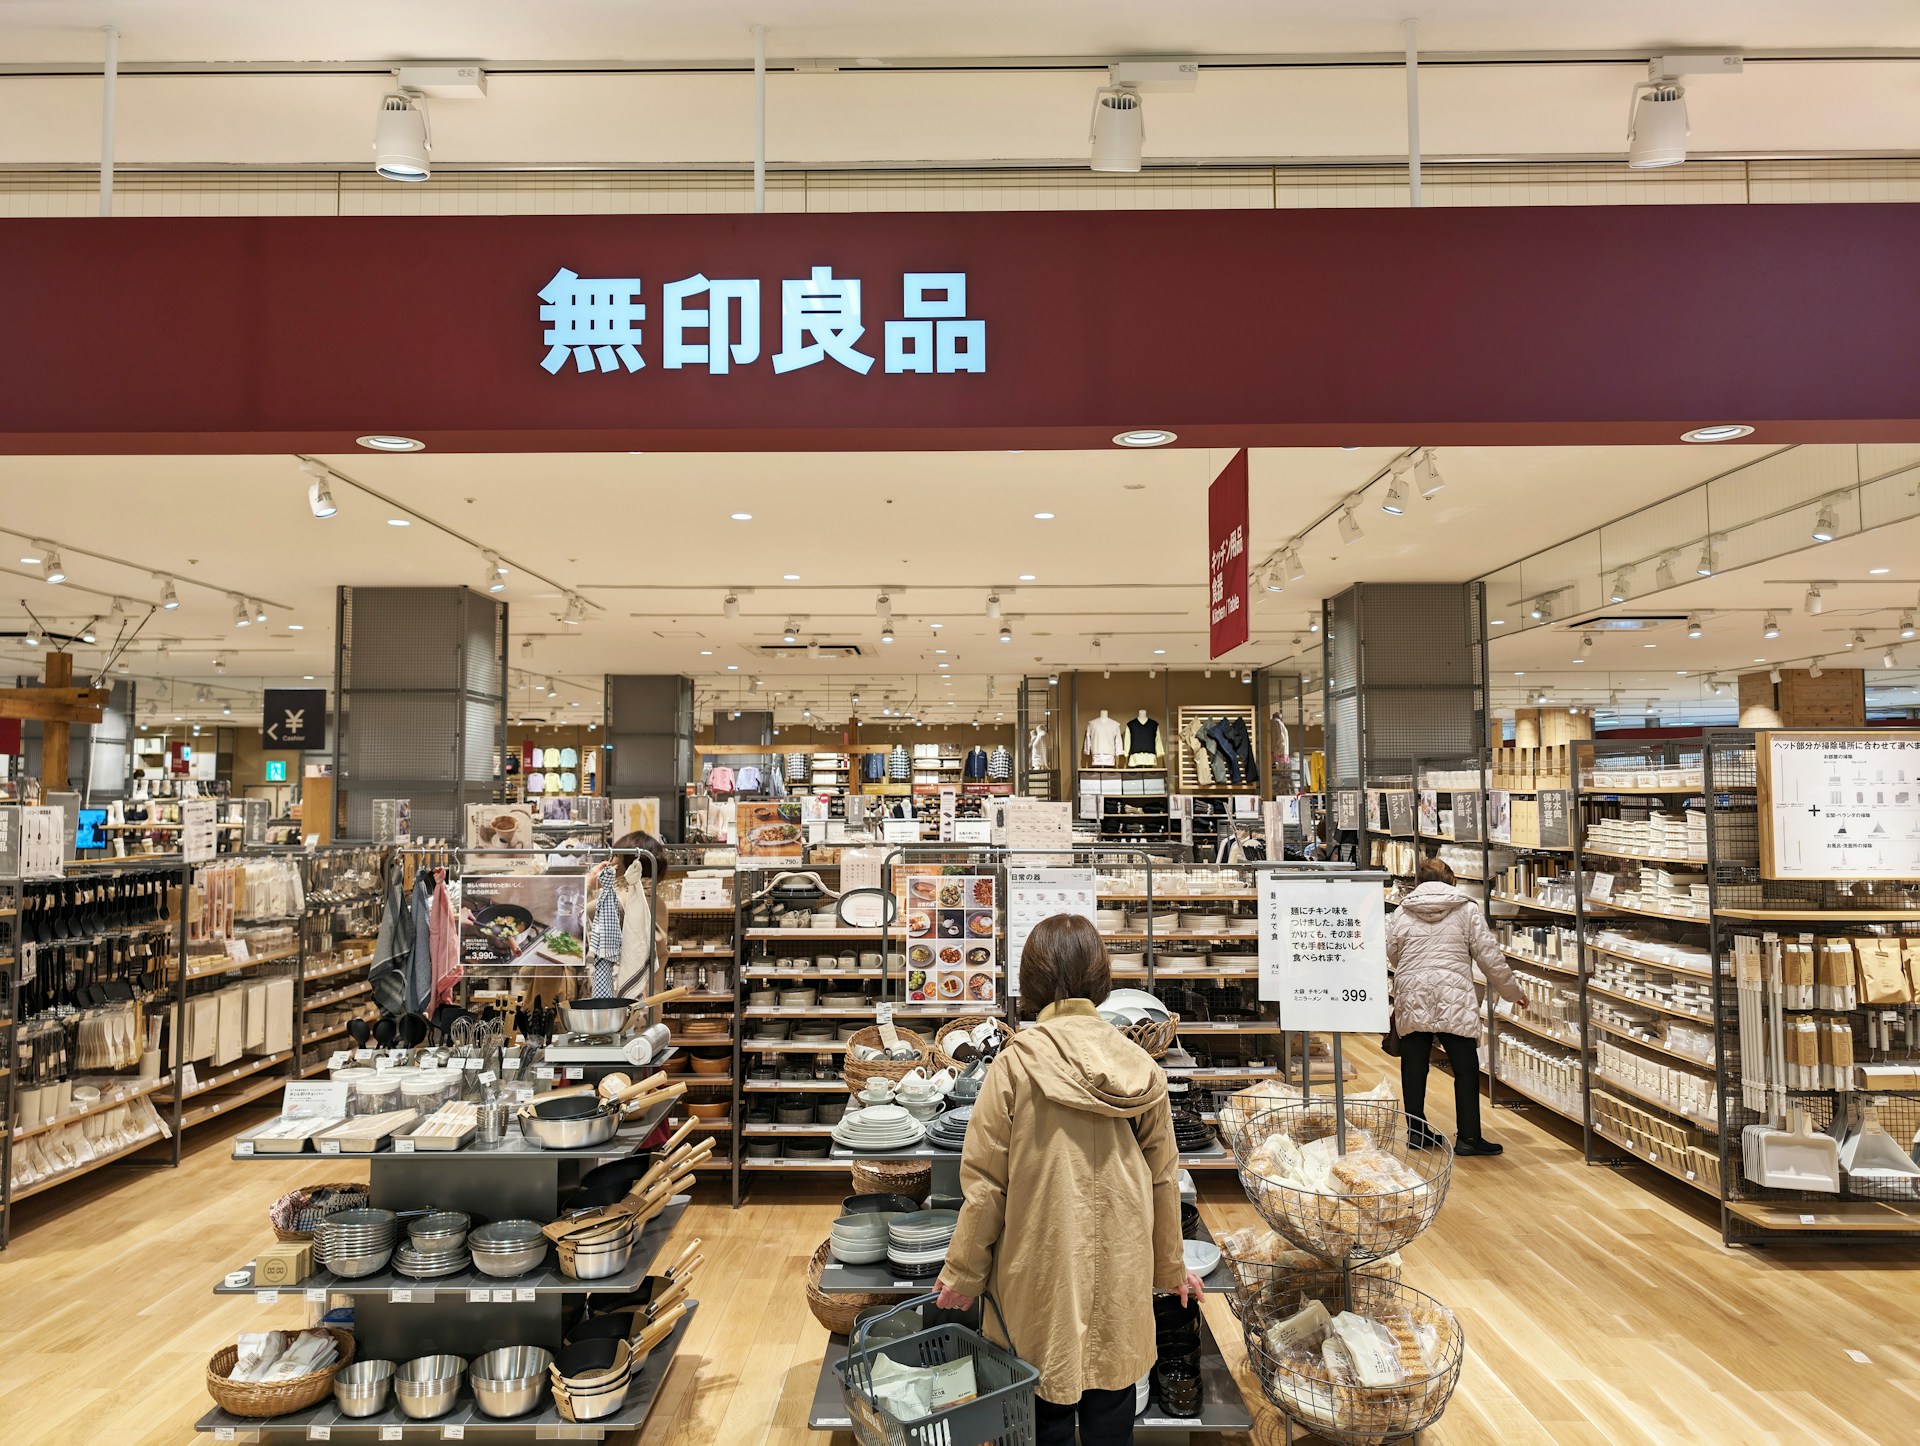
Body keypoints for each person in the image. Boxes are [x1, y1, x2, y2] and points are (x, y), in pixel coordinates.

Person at [936, 914, 1203, 1446]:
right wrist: (1172, 1267)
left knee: (1042, 1397)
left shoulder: (1014, 1065)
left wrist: (962, 1272)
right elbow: (1164, 1177)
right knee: (1112, 1394)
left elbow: (986, 1185)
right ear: (1100, 980)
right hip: (1121, 1264)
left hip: (1039, 1264)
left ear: (1030, 982)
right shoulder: (1140, 1064)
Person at [1387, 856, 1525, 1156]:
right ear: (1451, 880)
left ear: (1418, 882)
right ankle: (1469, 1137)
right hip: (1454, 995)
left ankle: (1416, 1132)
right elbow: (1489, 957)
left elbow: (1392, 953)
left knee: (1414, 1065)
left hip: (1413, 993)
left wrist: (1412, 972)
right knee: (1465, 1067)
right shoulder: (1466, 910)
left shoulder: (1402, 911)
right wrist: (1512, 993)